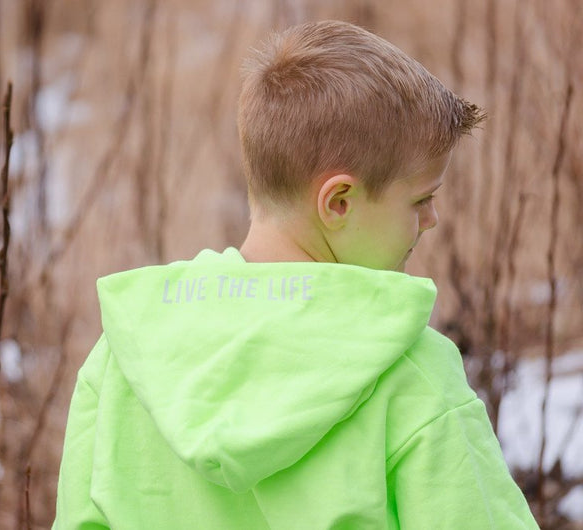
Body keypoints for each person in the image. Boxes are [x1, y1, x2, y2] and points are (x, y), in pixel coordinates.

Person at [53, 20, 539, 529]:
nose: (430, 220)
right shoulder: (409, 374)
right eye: (421, 199)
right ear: (339, 202)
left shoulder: (122, 359)